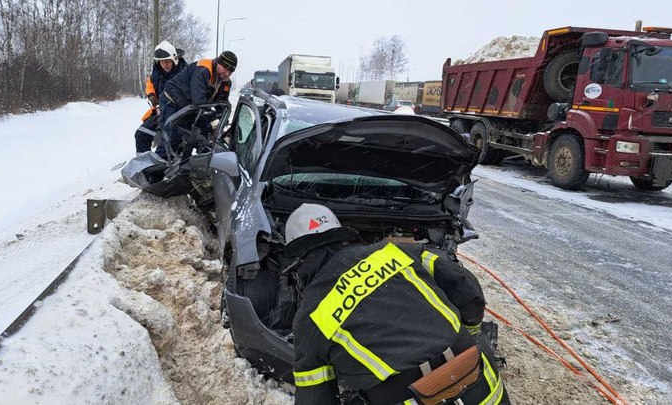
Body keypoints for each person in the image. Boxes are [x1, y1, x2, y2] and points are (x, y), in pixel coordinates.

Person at [287, 203, 509, 405]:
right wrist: (471, 335)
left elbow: (315, 400)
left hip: (408, 397)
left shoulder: (310, 316)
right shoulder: (393, 253)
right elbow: (466, 287)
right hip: (480, 381)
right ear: (340, 236)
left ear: (299, 261)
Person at [155, 50, 237, 160]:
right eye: (225, 68)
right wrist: (212, 120)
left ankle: (198, 162)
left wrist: (222, 123)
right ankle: (153, 171)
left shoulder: (225, 82)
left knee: (201, 133)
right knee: (171, 137)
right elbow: (198, 100)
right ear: (218, 62)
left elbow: (222, 104)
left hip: (189, 106)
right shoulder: (203, 70)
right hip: (172, 101)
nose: (227, 73)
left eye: (230, 71)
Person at [134, 40, 187, 155]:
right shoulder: (157, 72)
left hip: (178, 115)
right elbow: (150, 84)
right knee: (141, 134)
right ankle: (145, 165)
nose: (165, 64)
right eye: (162, 62)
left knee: (169, 141)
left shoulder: (184, 73)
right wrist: (152, 97)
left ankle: (168, 167)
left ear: (174, 59)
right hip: (159, 112)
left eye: (168, 61)